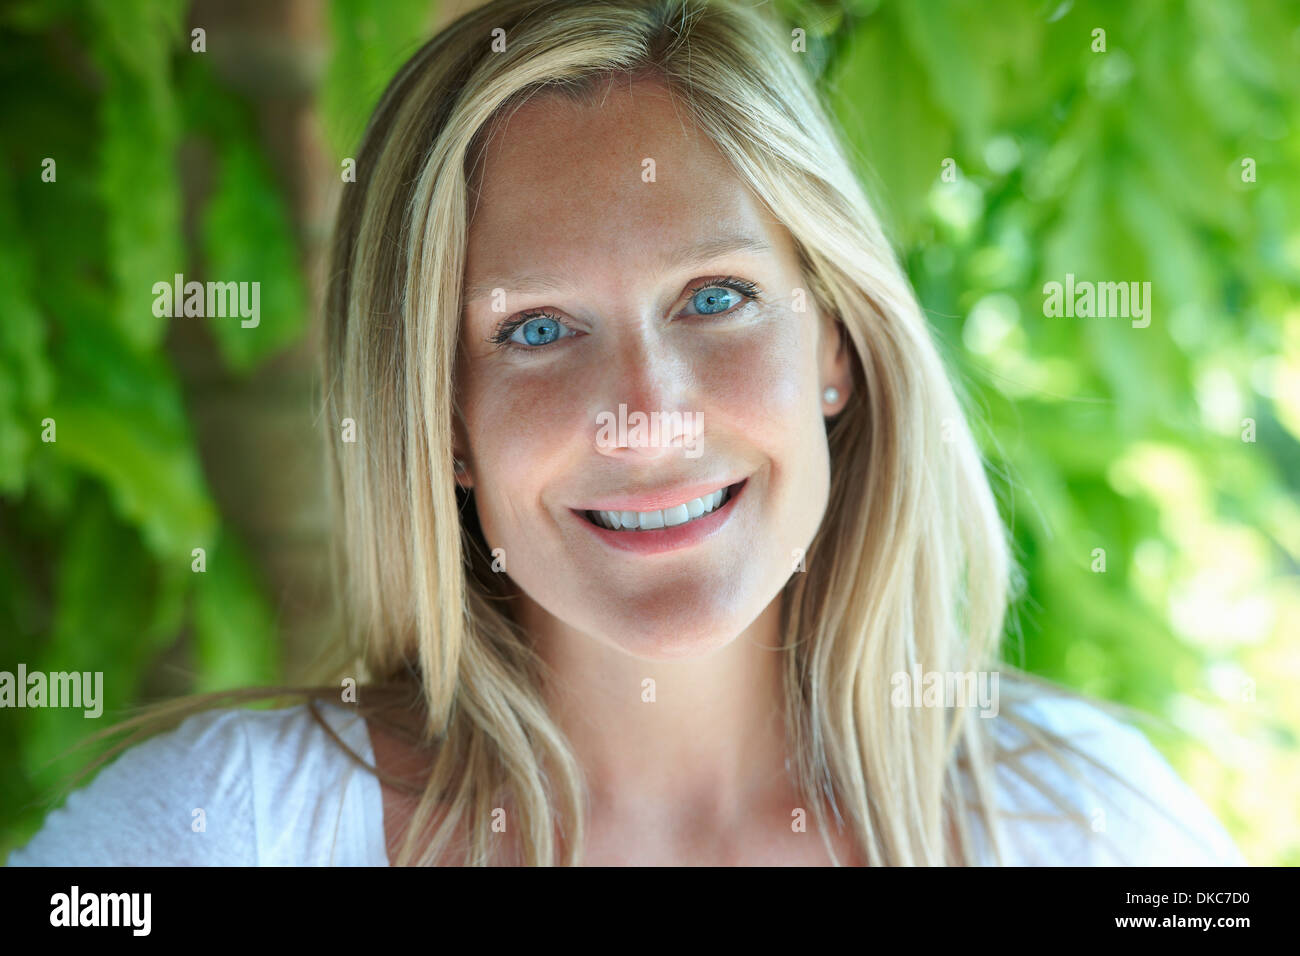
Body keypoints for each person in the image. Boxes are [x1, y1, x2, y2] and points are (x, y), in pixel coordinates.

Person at [8, 0, 1243, 867]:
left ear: (834, 344)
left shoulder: (1085, 823)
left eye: (714, 299)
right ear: (441, 419)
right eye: (537, 329)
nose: (646, 412)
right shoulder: (234, 828)